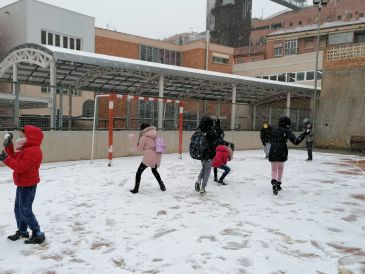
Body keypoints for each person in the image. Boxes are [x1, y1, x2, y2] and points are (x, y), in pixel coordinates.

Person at [0, 126, 46, 244]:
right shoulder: (27, 150)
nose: (20, 138)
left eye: (22, 136)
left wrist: (6, 160)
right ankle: (22, 231)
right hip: (22, 183)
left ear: (31, 137)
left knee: (25, 210)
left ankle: (38, 233)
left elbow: (20, 167)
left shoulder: (33, 151)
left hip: (28, 185)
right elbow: (15, 157)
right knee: (18, 209)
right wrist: (8, 146)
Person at [269, 116, 309, 195]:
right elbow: (296, 141)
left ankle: (274, 182)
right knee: (280, 168)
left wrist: (274, 144)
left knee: (274, 169)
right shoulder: (287, 131)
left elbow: (270, 139)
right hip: (282, 149)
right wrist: (304, 133)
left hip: (273, 149)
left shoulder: (274, 130)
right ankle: (278, 184)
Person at [129, 122, 166, 194]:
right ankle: (162, 186)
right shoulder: (155, 134)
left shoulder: (144, 137)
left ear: (143, 129)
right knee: (154, 170)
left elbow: (139, 148)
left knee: (139, 172)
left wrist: (134, 142)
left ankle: (136, 189)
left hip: (149, 157)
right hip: (157, 155)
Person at [192, 116, 219, 195]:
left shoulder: (199, 131)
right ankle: (203, 188)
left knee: (204, 168)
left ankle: (198, 180)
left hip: (202, 155)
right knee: (207, 171)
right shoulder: (211, 132)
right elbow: (216, 142)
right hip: (209, 155)